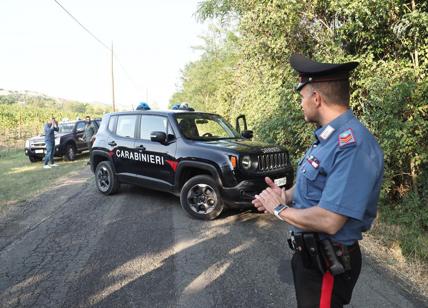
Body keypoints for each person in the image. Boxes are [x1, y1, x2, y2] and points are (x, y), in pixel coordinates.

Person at [252, 54, 384, 308]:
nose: (300, 104)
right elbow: (311, 186)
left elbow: (330, 220)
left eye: (302, 97)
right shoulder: (328, 139)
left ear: (317, 98)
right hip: (311, 257)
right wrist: (285, 196)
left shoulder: (352, 144)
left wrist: (279, 210)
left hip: (328, 262)